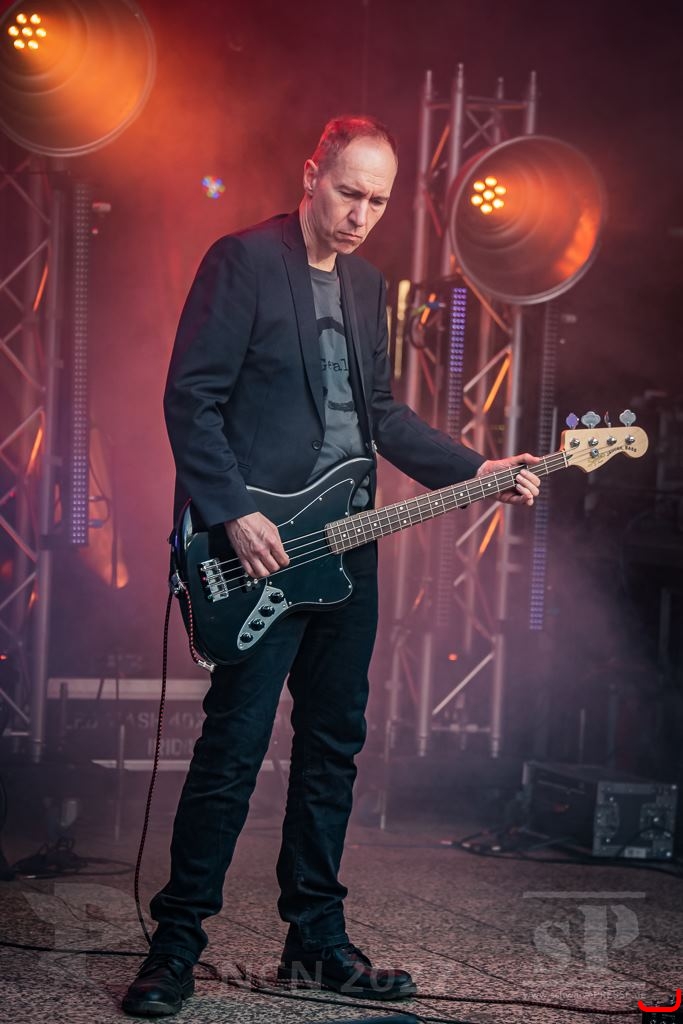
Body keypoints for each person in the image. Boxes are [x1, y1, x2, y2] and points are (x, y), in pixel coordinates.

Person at [122, 115, 541, 1018]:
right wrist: (231, 510)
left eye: (377, 202)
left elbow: (381, 415)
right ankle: (174, 946)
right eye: (348, 192)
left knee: (331, 750)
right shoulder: (242, 260)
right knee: (233, 749)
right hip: (260, 549)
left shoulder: (366, 283)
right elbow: (190, 398)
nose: (360, 215)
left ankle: (314, 941)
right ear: (311, 173)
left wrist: (477, 467)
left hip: (348, 550)